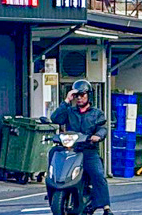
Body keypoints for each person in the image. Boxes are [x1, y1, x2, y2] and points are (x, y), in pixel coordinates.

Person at [51, 80, 111, 215]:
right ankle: (54, 188)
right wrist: (66, 100)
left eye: (82, 95)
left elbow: (102, 128)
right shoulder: (69, 111)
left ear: (88, 95)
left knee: (98, 174)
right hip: (71, 150)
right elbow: (55, 118)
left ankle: (105, 206)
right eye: (76, 95)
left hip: (88, 150)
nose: (79, 98)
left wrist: (97, 136)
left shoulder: (97, 113)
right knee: (53, 153)